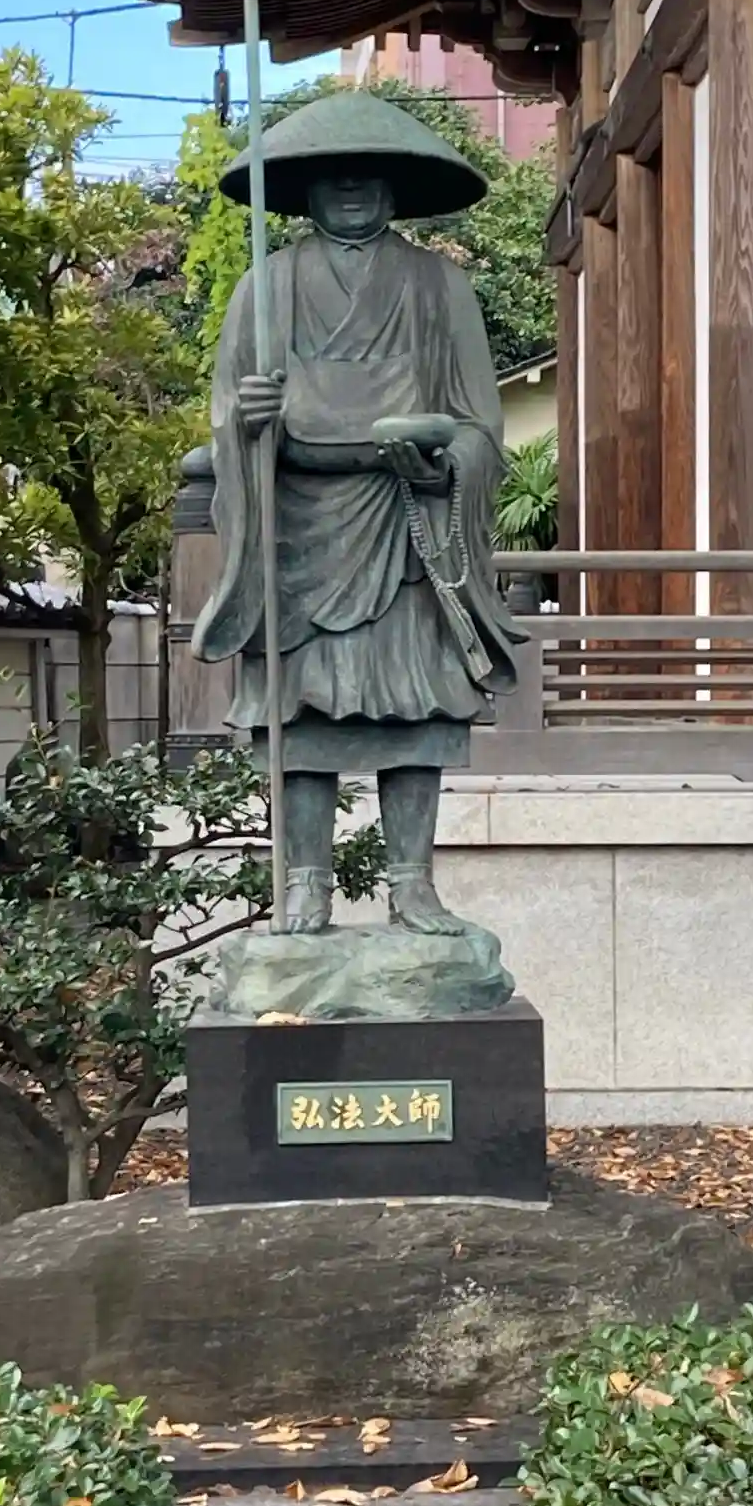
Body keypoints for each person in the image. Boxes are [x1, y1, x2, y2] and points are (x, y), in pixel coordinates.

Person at [192, 92, 524, 936]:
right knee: (302, 714)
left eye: (367, 175)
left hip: (406, 520)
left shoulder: (439, 286)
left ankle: (413, 883)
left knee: (417, 705)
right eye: (333, 176)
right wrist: (250, 423)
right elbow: (226, 412)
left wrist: (444, 458)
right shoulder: (265, 286)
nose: (350, 188)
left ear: (395, 187)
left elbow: (481, 424)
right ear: (303, 190)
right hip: (300, 530)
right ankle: (305, 882)